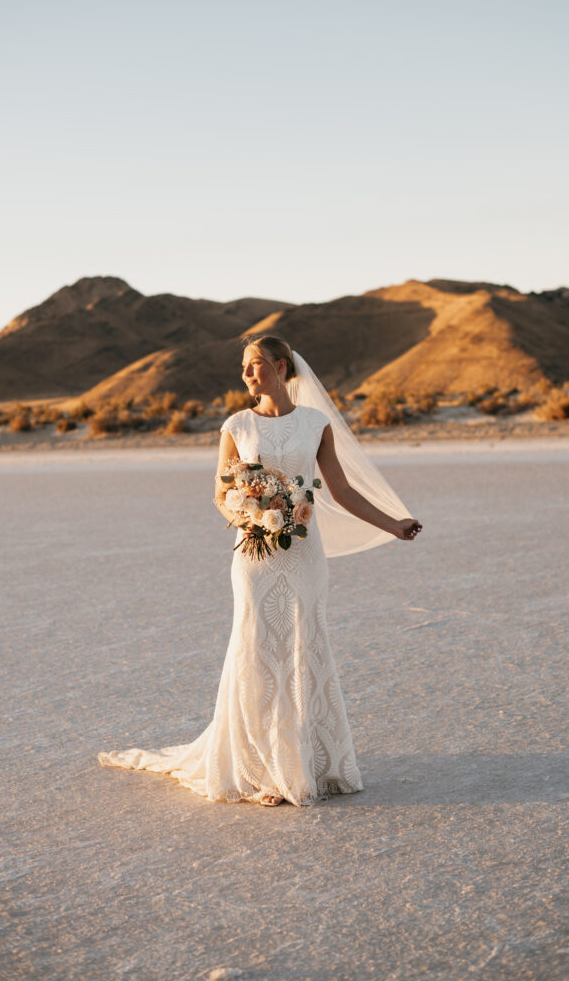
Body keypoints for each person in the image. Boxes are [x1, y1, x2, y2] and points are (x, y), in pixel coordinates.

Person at [98, 334, 422, 806]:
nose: (249, 374)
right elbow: (220, 494)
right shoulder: (237, 425)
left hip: (304, 553)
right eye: (244, 366)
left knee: (303, 646)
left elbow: (342, 492)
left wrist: (394, 524)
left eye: (257, 364)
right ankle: (260, 771)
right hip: (254, 557)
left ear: (282, 367)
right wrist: (250, 515)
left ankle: (311, 764)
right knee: (257, 649)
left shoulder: (316, 424)